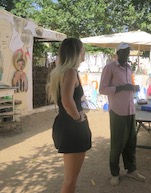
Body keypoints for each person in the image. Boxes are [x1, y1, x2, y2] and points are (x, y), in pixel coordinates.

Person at [46, 38, 92, 193]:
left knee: (70, 179)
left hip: (64, 125)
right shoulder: (71, 72)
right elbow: (67, 101)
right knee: (71, 180)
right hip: (73, 128)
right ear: (77, 52)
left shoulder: (61, 72)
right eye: (83, 50)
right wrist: (78, 118)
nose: (84, 53)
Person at [99, 42, 146, 186]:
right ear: (118, 53)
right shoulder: (109, 68)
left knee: (131, 142)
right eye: (124, 52)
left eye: (128, 52)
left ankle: (131, 170)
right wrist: (121, 88)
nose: (127, 54)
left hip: (130, 110)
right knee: (117, 144)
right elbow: (102, 89)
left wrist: (133, 88)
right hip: (117, 111)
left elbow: (128, 87)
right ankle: (114, 173)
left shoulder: (128, 68)